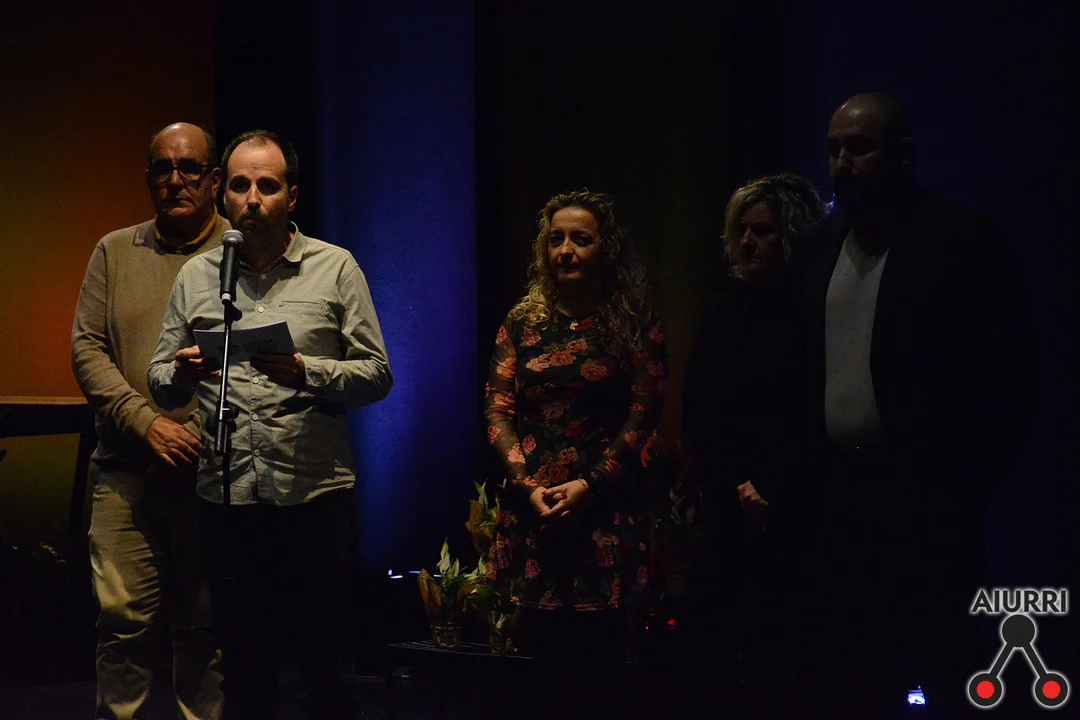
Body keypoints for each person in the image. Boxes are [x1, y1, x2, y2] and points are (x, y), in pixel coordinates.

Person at [792, 93, 1038, 718]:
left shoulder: (960, 239)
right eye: (833, 150)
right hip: (842, 496)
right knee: (854, 671)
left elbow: (1011, 372)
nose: (842, 163)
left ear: (902, 154)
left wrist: (967, 482)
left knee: (945, 661)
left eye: (859, 148)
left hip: (928, 502)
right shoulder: (819, 245)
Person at [147, 129, 393, 718]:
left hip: (313, 497)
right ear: (221, 193)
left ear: (292, 196)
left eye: (267, 185)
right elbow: (157, 379)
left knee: (325, 670)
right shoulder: (198, 276)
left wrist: (308, 372)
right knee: (245, 672)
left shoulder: (334, 266)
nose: (252, 198)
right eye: (240, 185)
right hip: (228, 498)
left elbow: (377, 374)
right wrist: (182, 372)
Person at [484, 190, 666, 716]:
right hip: (537, 514)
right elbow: (497, 409)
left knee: (600, 673)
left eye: (580, 239)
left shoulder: (633, 321)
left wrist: (591, 484)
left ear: (606, 248)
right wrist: (527, 487)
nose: (565, 250)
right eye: (556, 239)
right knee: (539, 675)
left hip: (604, 514)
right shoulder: (523, 320)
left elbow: (645, 412)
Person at [71, 122, 226, 720]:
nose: (175, 180)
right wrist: (145, 422)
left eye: (189, 168)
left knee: (205, 628)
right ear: (148, 179)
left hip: (211, 475)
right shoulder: (114, 251)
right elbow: (87, 349)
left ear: (214, 179)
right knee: (122, 626)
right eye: (163, 169)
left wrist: (196, 433)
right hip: (125, 473)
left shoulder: (239, 252)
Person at [682, 173, 823, 703]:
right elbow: (700, 408)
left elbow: (813, 412)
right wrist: (737, 480)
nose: (747, 242)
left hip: (800, 507)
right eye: (742, 230)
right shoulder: (724, 310)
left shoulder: (816, 313)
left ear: (793, 235)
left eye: (762, 231)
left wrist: (773, 485)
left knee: (790, 652)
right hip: (730, 502)